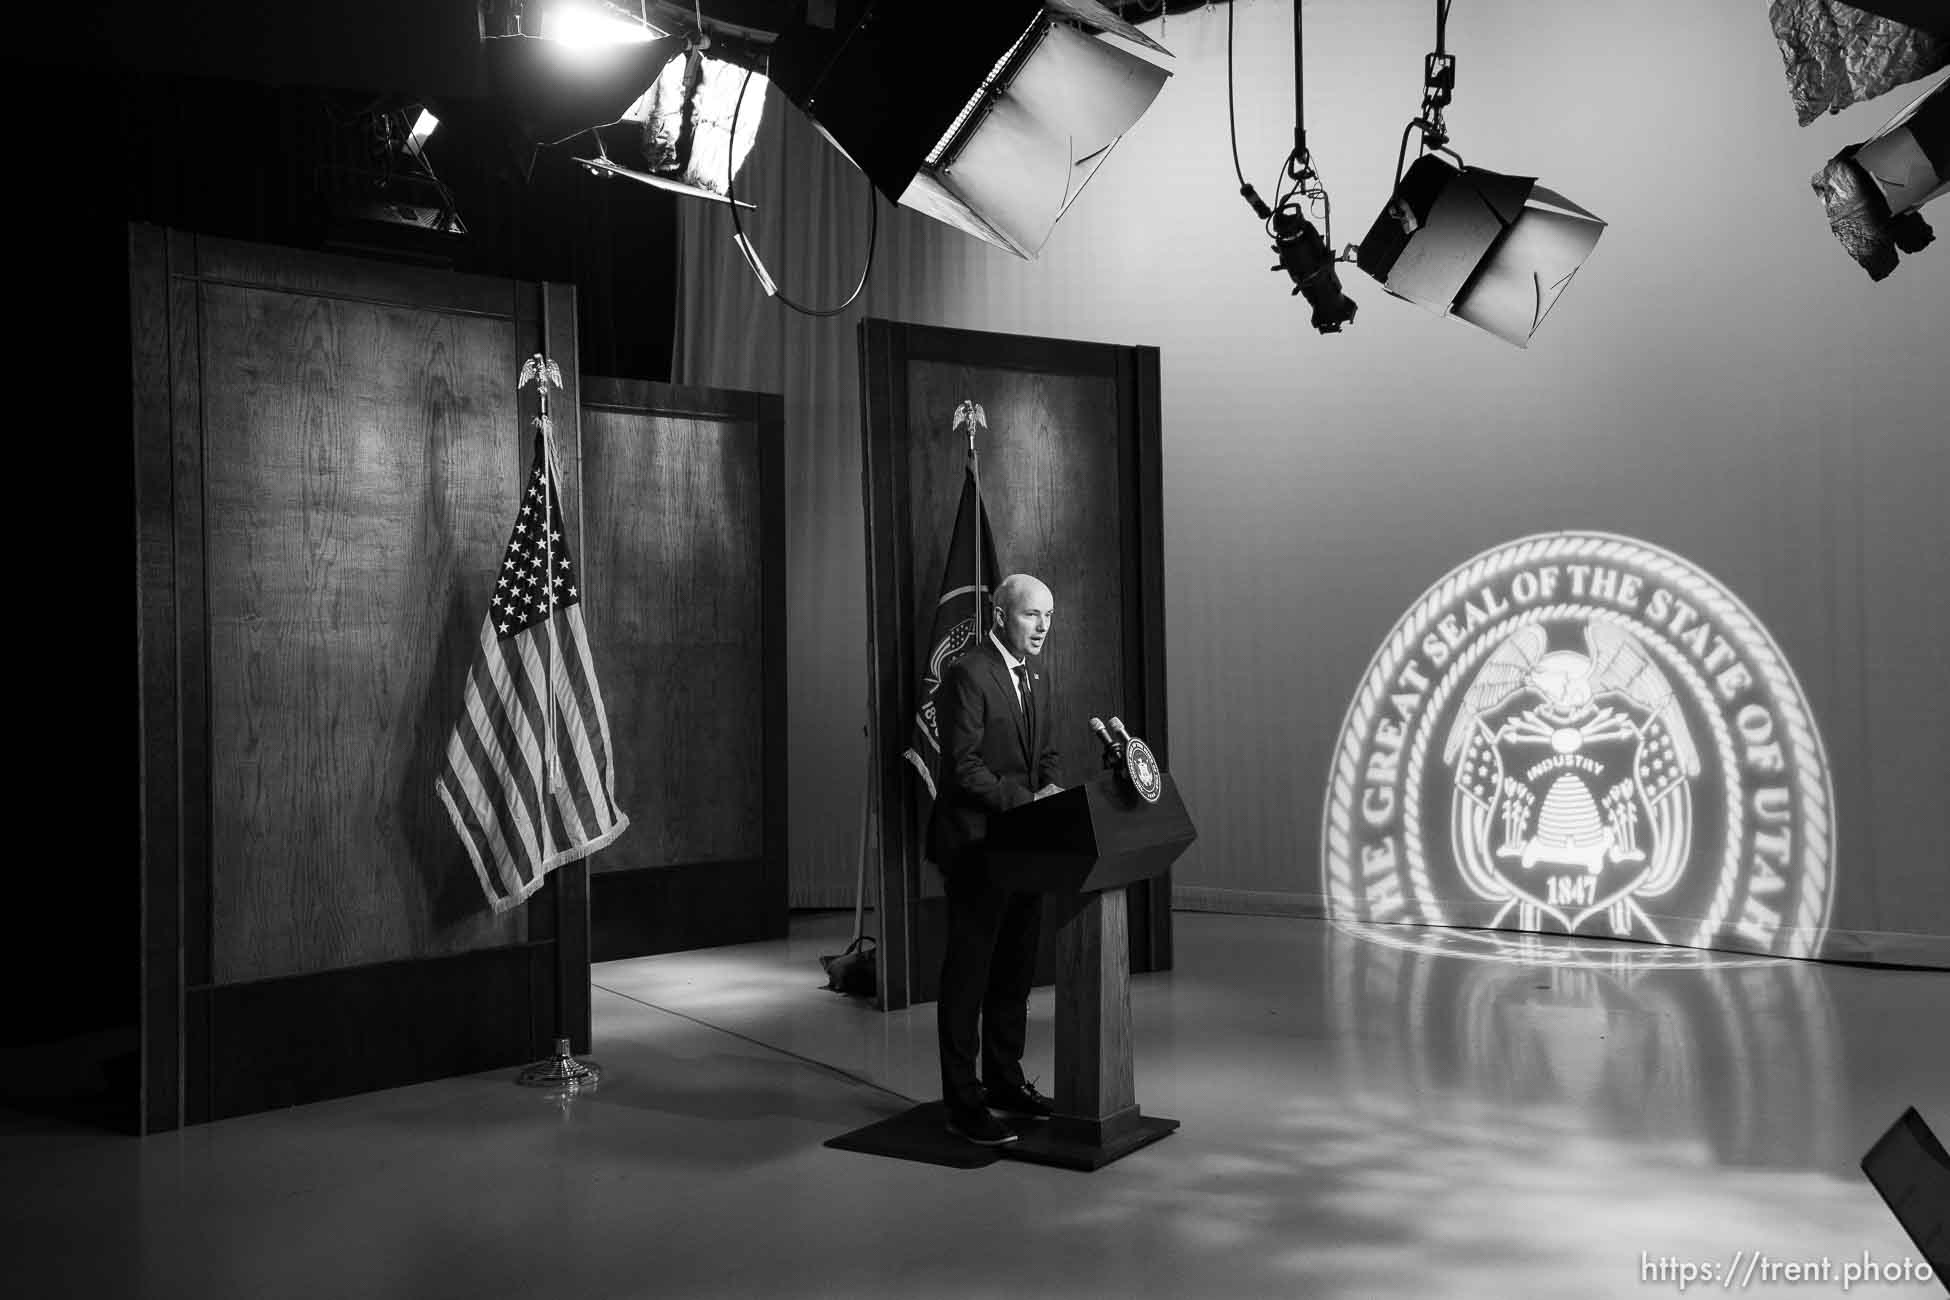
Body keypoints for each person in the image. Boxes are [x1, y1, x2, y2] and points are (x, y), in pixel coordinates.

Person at [928, 572, 1064, 1146]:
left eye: (1049, 617)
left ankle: (1005, 1081)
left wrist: (1051, 791)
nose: (1043, 627)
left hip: (1023, 848)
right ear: (1002, 615)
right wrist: (1025, 801)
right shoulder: (968, 672)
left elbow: (1047, 753)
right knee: (969, 975)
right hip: (977, 847)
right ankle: (963, 1103)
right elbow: (963, 768)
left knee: (1014, 971)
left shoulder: (1036, 674)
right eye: (1033, 615)